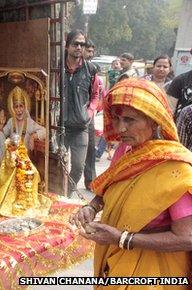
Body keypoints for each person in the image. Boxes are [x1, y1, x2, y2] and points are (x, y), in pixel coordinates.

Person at [71, 78, 192, 282]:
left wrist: (122, 239)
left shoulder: (176, 168)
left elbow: (187, 238)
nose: (120, 129)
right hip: (114, 261)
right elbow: (108, 189)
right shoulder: (125, 151)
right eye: (117, 119)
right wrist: (91, 207)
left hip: (155, 272)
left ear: (154, 120)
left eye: (130, 120)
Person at [0, 134, 51, 224]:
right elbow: (10, 164)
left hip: (22, 169)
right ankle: (17, 200)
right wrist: (16, 160)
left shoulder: (21, 147)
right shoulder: (9, 150)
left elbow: (25, 159)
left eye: (18, 143)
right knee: (17, 179)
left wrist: (24, 165)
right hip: (11, 174)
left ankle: (29, 199)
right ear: (11, 143)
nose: (16, 145)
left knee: (34, 173)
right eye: (14, 144)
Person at [63, 29, 99, 194]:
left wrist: (90, 113)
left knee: (78, 165)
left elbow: (95, 95)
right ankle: (57, 191)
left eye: (82, 44)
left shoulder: (90, 70)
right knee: (57, 163)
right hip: (59, 127)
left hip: (80, 127)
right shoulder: (57, 68)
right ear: (67, 45)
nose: (79, 47)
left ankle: (68, 190)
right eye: (75, 44)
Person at [0, 86, 46, 167]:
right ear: (13, 109)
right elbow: (1, 135)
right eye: (16, 107)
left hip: (23, 160)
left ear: (25, 107)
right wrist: (1, 124)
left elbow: (45, 131)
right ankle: (4, 169)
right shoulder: (11, 121)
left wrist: (33, 136)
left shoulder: (29, 122)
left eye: (21, 106)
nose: (19, 110)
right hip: (11, 159)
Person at [83, 39, 104, 190]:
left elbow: (96, 94)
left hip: (87, 115)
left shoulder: (92, 70)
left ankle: (90, 180)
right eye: (88, 51)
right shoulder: (67, 68)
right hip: (68, 115)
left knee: (90, 148)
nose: (90, 54)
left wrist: (91, 110)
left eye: (92, 51)